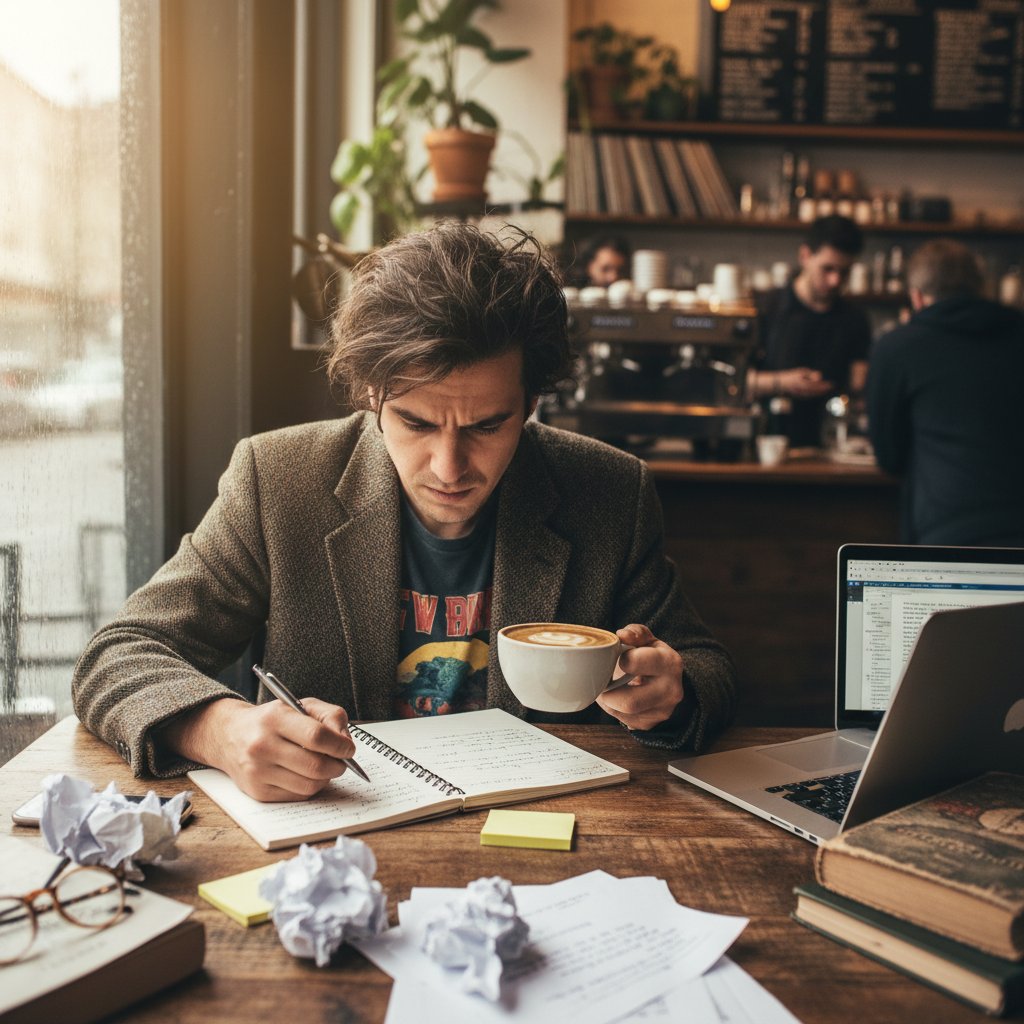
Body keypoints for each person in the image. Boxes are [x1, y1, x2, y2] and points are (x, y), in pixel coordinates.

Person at [72, 222, 736, 802]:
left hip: (549, 836)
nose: (449, 468)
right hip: (337, 835)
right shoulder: (279, 482)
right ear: (369, 395)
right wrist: (221, 728)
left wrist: (672, 691)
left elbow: (706, 665)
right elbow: (119, 655)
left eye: (486, 426)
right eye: (416, 423)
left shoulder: (608, 492)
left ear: (531, 402)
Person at [867, 238, 1024, 546]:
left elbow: (889, 457)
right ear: (981, 288)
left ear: (917, 297)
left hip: (947, 530)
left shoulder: (897, 347)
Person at [750, 215, 871, 447]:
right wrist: (783, 382)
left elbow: (859, 385)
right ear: (805, 256)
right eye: (827, 269)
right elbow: (733, 384)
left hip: (830, 447)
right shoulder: (766, 308)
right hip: (767, 445)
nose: (836, 280)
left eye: (844, 272)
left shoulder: (855, 319)